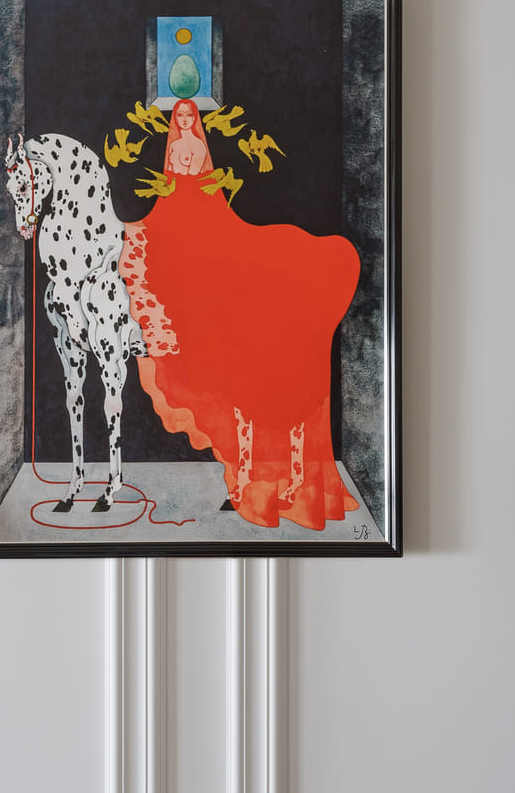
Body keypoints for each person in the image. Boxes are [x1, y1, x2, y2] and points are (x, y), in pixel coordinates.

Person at [120, 99, 361, 530]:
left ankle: (270, 479)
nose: (185, 121)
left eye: (190, 116)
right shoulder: (173, 153)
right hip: (179, 222)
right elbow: (170, 195)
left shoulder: (199, 151)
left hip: (203, 222)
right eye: (181, 117)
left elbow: (205, 194)